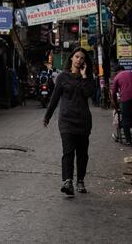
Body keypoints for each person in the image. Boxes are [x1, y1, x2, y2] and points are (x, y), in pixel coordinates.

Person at [43, 47, 95, 197]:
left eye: (82, 58)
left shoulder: (88, 78)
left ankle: (80, 180)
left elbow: (88, 93)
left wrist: (84, 76)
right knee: (68, 152)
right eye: (77, 57)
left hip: (83, 121)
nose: (79, 60)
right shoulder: (62, 77)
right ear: (71, 58)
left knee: (83, 154)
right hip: (66, 120)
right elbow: (54, 98)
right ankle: (68, 181)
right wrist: (47, 116)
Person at [110, 64, 132, 145]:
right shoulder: (130, 73)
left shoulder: (117, 77)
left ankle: (129, 140)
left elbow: (113, 93)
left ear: (117, 71)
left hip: (126, 99)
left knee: (126, 119)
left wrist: (115, 105)